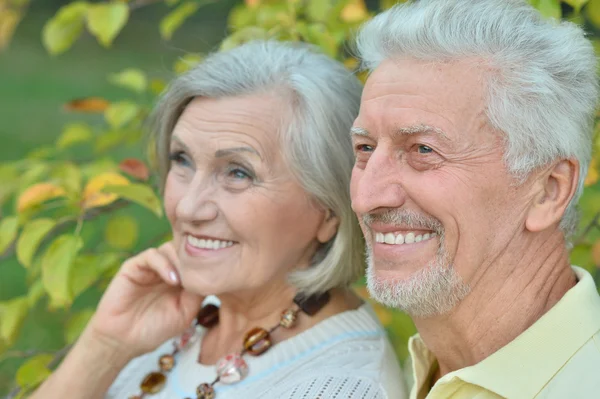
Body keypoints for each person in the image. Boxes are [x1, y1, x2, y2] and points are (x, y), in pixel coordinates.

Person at [31, 41, 406, 399]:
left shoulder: (337, 385)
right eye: (182, 160)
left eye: (238, 173)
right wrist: (107, 345)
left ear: (329, 210)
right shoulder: (183, 314)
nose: (188, 208)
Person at [350, 0, 600, 398]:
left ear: (548, 190)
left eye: (423, 150)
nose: (367, 197)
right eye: (364, 149)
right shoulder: (404, 374)